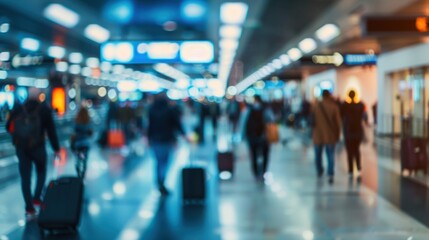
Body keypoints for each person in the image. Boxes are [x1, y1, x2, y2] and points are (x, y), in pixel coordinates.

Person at [6, 88, 60, 217]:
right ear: (39, 96)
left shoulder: (18, 108)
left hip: (22, 148)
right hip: (38, 147)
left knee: (25, 178)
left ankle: (29, 208)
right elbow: (51, 131)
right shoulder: (44, 110)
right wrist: (56, 148)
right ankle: (36, 198)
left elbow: (8, 126)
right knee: (41, 172)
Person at [147, 93, 187, 195]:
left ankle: (159, 181)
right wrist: (184, 135)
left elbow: (149, 126)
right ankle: (162, 181)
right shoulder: (169, 110)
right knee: (164, 162)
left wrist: (148, 138)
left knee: (158, 162)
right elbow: (176, 124)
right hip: (166, 139)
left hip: (155, 140)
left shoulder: (152, 110)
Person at [311, 90, 341, 184]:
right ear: (329, 96)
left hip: (318, 135)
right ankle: (330, 173)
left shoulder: (316, 106)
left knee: (318, 155)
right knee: (330, 155)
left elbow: (312, 120)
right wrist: (337, 135)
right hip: (330, 135)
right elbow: (338, 123)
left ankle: (319, 171)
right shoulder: (334, 107)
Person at [245, 95, 274, 181]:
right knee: (259, 156)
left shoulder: (251, 110)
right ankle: (259, 172)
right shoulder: (263, 110)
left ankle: (259, 173)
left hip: (259, 138)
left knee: (258, 156)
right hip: (258, 138)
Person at [341, 90, 366, 179]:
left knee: (350, 151)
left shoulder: (345, 106)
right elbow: (363, 117)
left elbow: (341, 116)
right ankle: (358, 167)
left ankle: (351, 169)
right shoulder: (360, 105)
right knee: (356, 150)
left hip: (348, 132)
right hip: (357, 131)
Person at [72, 106, 93, 178]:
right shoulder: (88, 122)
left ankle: (78, 172)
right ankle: (83, 174)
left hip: (78, 143)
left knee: (77, 159)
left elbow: (74, 131)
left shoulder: (77, 121)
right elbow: (90, 133)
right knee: (85, 159)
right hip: (86, 143)